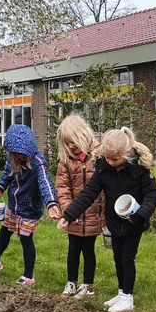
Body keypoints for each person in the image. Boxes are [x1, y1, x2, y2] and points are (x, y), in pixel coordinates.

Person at [59, 127, 156, 312]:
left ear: (126, 153)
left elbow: (152, 195)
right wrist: (69, 216)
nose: (110, 162)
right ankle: (121, 293)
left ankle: (128, 297)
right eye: (107, 157)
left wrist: (140, 215)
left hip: (135, 222)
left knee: (127, 258)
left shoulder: (140, 169)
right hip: (115, 221)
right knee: (117, 258)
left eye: (115, 159)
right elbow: (88, 193)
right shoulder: (103, 167)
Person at [0, 125, 60, 284]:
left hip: (30, 209)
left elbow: (45, 182)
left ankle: (28, 276)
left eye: (22, 156)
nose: (19, 159)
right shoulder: (12, 159)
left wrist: (51, 203)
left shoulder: (38, 163)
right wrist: (0, 187)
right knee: (4, 233)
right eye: (15, 155)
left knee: (25, 238)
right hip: (13, 206)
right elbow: (7, 174)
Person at [56, 114, 105, 298]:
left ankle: (88, 286)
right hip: (74, 215)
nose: (70, 146)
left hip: (93, 214)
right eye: (67, 143)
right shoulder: (66, 160)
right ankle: (71, 283)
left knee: (88, 249)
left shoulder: (99, 155)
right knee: (73, 249)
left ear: (83, 135)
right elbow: (62, 187)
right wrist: (69, 211)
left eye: (73, 142)